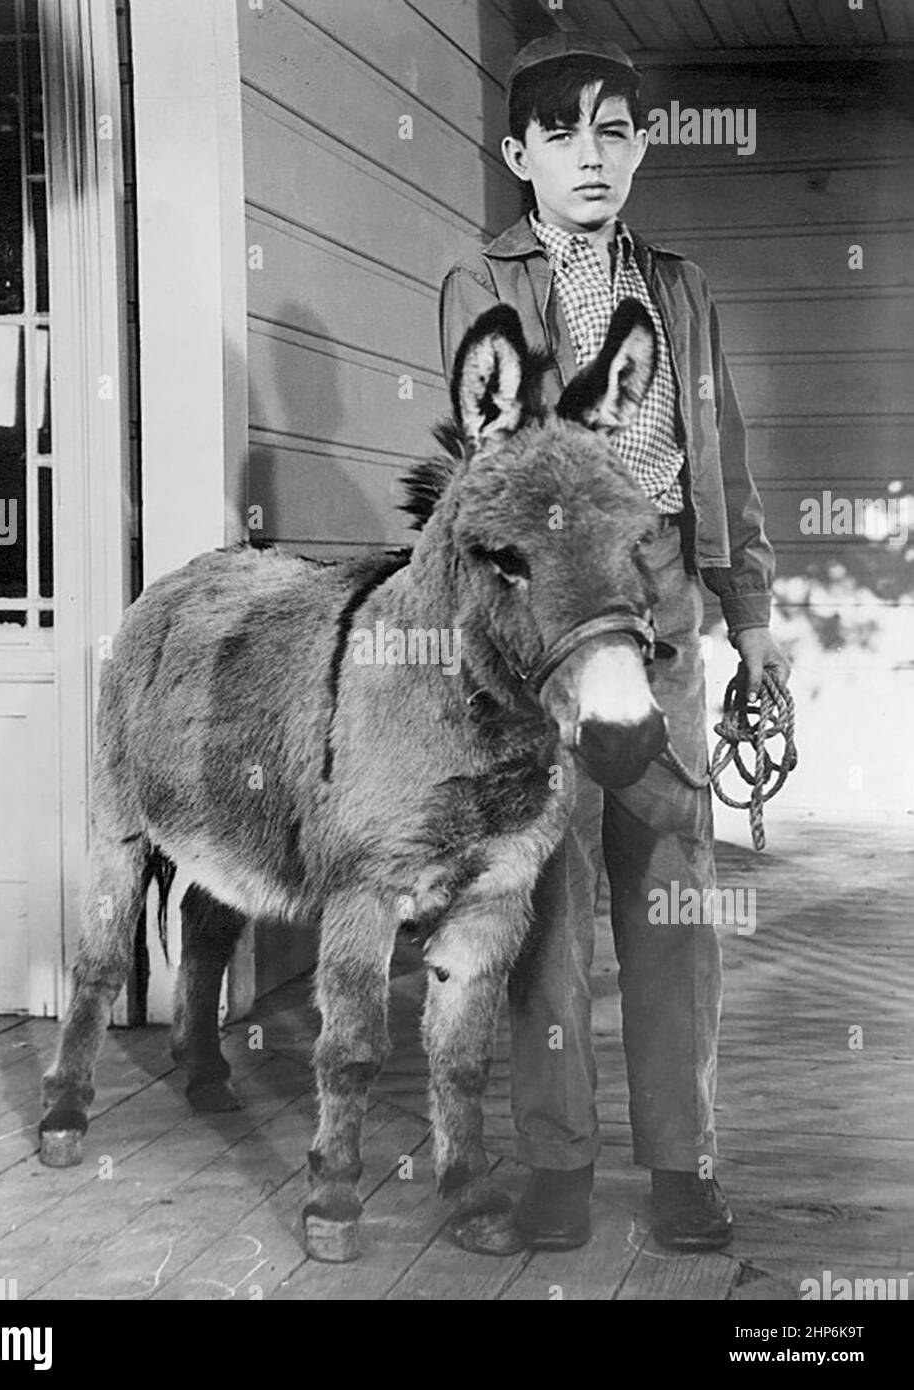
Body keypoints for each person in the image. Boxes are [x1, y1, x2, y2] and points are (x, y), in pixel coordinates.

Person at [439, 31, 790, 1254]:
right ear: (518, 152)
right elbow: (503, 470)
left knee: (670, 887)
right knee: (548, 895)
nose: (590, 156)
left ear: (638, 146)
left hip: (670, 614)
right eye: (563, 133)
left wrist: (749, 620)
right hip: (550, 623)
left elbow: (723, 465)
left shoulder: (680, 288)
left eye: (613, 131)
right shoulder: (480, 281)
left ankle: (681, 1162)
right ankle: (555, 1167)